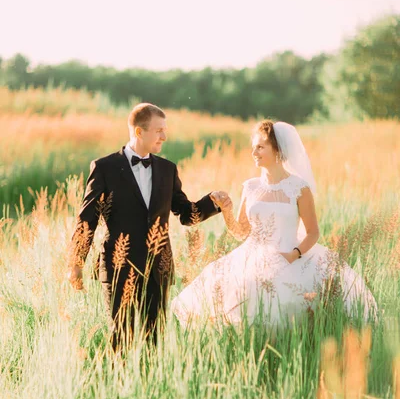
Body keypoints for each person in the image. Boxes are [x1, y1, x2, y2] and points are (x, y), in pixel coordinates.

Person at [172, 120, 377, 327]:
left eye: (260, 147)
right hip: (252, 258)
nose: (254, 152)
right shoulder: (250, 187)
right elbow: (241, 232)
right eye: (253, 147)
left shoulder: (299, 188)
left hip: (289, 256)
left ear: (278, 150)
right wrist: (226, 212)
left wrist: (293, 255)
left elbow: (313, 232)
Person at [68, 103, 225, 350]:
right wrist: (76, 264)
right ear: (139, 132)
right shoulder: (104, 167)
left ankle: (150, 387)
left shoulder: (167, 169)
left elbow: (185, 214)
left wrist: (211, 203)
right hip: (118, 268)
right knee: (122, 338)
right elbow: (87, 219)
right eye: (159, 130)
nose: (164, 136)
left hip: (158, 269)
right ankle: (120, 386)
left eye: (165, 130)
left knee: (154, 340)